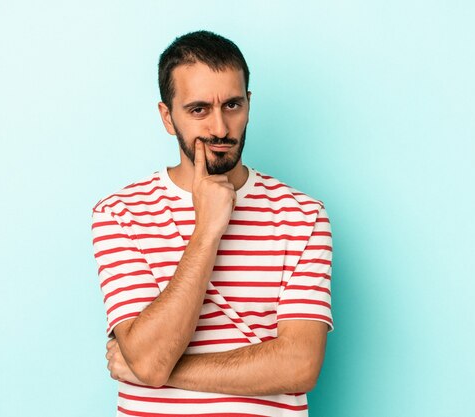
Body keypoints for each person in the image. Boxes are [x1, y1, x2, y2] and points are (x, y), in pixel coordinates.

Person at [91, 30, 333, 417]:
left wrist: (160, 372)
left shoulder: (302, 215)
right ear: (168, 117)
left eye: (233, 105)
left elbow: (300, 365)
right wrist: (207, 230)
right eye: (199, 109)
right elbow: (151, 359)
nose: (220, 128)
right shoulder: (120, 213)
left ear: (249, 105)